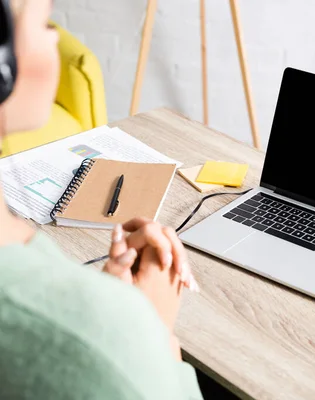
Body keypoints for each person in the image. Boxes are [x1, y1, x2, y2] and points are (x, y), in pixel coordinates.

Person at [0, 0, 204, 398]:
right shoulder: (106, 345)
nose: (56, 38)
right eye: (46, 23)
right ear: (4, 69)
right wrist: (153, 332)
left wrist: (100, 297)